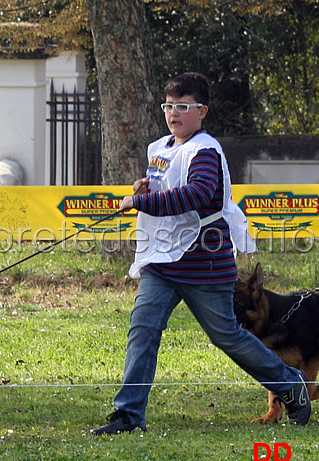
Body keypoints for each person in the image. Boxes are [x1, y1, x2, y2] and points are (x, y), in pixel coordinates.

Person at [91, 72, 310, 435]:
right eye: (168, 106)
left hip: (204, 264)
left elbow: (197, 193)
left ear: (202, 111)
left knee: (227, 336)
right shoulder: (161, 148)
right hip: (162, 262)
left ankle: (292, 387)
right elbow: (168, 187)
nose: (173, 114)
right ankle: (128, 415)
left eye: (182, 107)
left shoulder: (205, 150)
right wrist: (143, 187)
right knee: (142, 330)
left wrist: (140, 201)